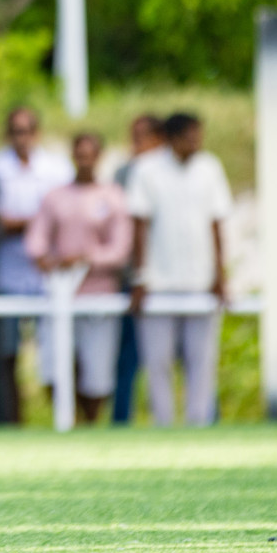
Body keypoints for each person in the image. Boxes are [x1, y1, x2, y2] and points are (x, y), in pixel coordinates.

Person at [127, 112, 232, 427]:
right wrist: (140, 277)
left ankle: (198, 424)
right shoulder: (147, 169)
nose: (196, 142)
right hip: (159, 284)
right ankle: (164, 424)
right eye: (190, 136)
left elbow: (217, 222)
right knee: (158, 362)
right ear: (172, 138)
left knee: (202, 362)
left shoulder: (209, 168)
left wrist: (220, 274)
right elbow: (139, 226)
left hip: (200, 282)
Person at [25, 133, 132, 422]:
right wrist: (47, 260)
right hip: (60, 295)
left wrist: (86, 258)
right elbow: (37, 241)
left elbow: (120, 250)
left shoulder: (112, 196)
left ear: (99, 156)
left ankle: (90, 422)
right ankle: (66, 419)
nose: (84, 161)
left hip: (99, 295)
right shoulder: (55, 197)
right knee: (54, 365)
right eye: (79, 154)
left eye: (90, 154)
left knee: (97, 371)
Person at [0, 107, 73, 425]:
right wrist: (38, 223)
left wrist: (24, 224)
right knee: (8, 352)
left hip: (48, 275)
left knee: (56, 353)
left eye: (27, 130)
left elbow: (64, 219)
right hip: (7, 273)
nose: (22, 137)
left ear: (36, 132)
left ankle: (62, 420)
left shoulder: (57, 168)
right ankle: (13, 423)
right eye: (15, 131)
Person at [110, 114, 164, 424]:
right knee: (127, 356)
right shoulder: (124, 172)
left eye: (143, 136)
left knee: (185, 356)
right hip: (133, 278)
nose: (136, 144)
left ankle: (203, 420)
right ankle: (121, 420)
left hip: (170, 278)